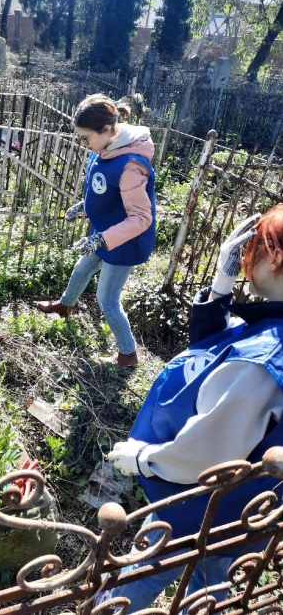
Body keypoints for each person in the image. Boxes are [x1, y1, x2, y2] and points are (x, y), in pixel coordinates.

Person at [100, 208, 283, 611]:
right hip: (248, 508)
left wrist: (145, 459)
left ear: (275, 257)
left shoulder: (265, 356)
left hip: (197, 505)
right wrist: (221, 287)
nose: (247, 259)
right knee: (209, 585)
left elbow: (208, 456)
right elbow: (216, 349)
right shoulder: (271, 332)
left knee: (140, 576)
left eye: (254, 248)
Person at [37, 94, 156, 368]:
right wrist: (84, 206)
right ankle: (65, 305)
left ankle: (128, 355)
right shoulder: (103, 148)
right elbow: (106, 190)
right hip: (103, 231)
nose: (83, 144)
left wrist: (101, 239)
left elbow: (141, 218)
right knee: (81, 269)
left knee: (108, 300)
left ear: (106, 129)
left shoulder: (131, 165)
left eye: (85, 138)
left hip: (124, 242)